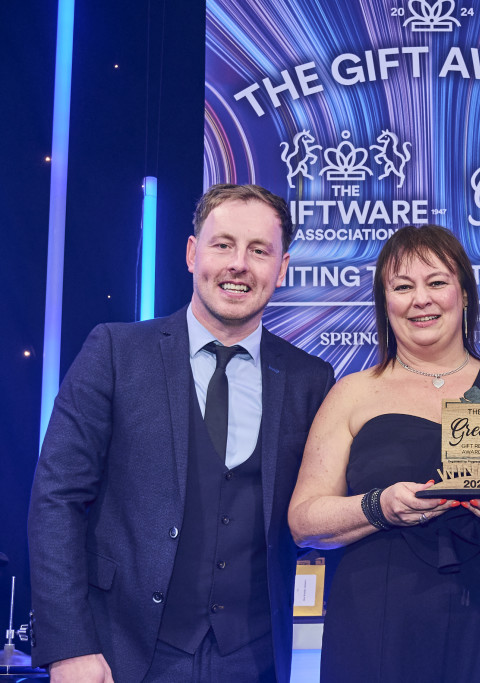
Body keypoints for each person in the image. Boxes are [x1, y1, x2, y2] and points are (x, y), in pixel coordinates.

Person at [28, 184, 335, 682]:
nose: (239, 264)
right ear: (193, 254)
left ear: (281, 269)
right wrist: (68, 647)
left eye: (260, 251)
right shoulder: (115, 352)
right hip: (118, 656)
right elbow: (55, 500)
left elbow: (324, 505)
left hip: (254, 660)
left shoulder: (310, 379)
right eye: (223, 244)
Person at [288, 224, 480, 682]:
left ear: (465, 294)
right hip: (374, 623)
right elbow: (303, 521)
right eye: (402, 287)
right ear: (384, 302)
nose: (421, 299)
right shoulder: (353, 394)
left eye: (436, 282)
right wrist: (380, 506)